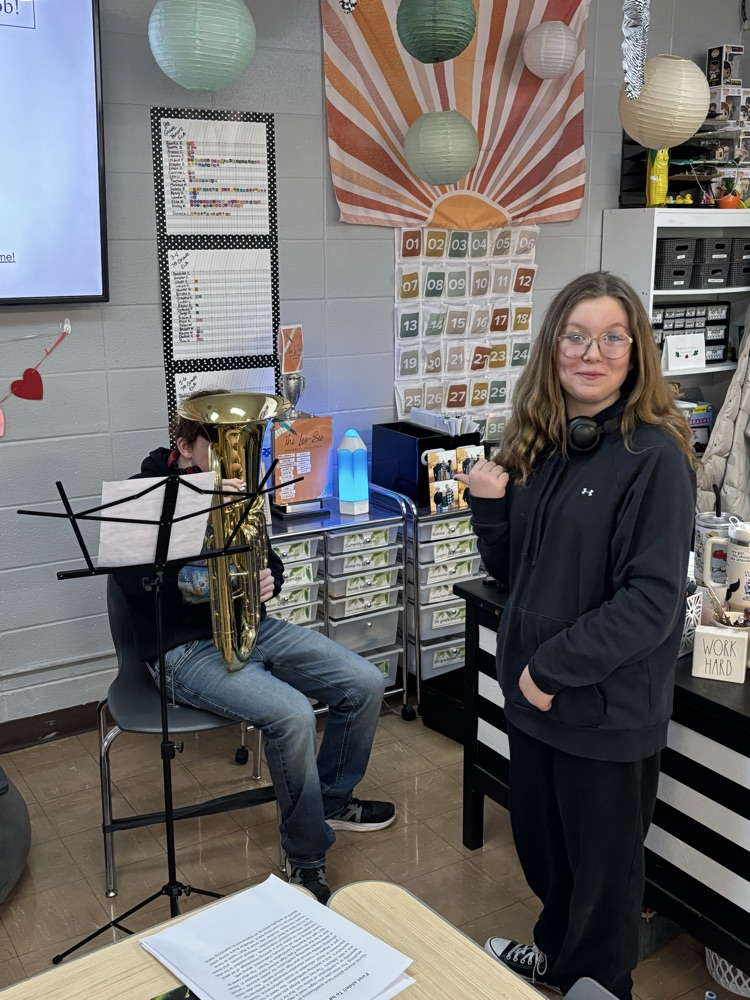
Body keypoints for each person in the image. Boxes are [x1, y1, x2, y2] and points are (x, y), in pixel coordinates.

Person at [454, 272, 697, 1000]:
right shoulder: (543, 442)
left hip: (602, 712)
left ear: (636, 352)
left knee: (602, 885)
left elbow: (652, 602)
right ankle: (559, 964)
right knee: (549, 860)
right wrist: (490, 509)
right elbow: (514, 574)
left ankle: (598, 983)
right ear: (554, 346)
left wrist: (548, 670)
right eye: (577, 336)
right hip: (536, 704)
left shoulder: (655, 458)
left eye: (612, 337)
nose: (593, 352)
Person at [113, 390, 395, 905]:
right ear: (184, 445)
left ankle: (330, 800)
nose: (229, 459)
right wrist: (210, 554)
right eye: (215, 447)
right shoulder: (146, 494)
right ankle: (306, 856)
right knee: (292, 716)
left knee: (366, 683)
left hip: (251, 626)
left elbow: (270, 558)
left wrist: (268, 578)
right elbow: (136, 586)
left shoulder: (243, 487)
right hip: (181, 650)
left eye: (235, 445)